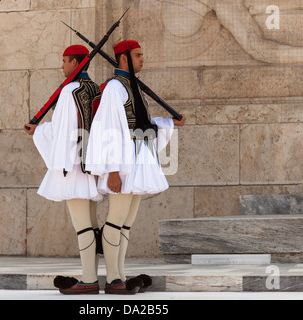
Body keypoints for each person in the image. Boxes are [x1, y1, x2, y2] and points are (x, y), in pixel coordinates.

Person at [85, 40, 187, 294]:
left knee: (127, 221)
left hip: (140, 158)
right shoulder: (114, 89)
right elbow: (108, 130)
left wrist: (170, 123)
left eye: (143, 54)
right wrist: (113, 170)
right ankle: (112, 279)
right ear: (123, 59)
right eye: (138, 55)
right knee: (116, 219)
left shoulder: (134, 87)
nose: (143, 59)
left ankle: (120, 274)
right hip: (124, 162)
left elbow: (144, 123)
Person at [24, 45, 103, 295]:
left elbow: (61, 133)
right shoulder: (94, 88)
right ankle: (96, 276)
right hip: (91, 165)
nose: (62, 66)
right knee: (91, 224)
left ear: (75, 63)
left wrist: (38, 131)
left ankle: (89, 280)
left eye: (65, 61)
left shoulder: (70, 91)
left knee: (83, 227)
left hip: (74, 168)